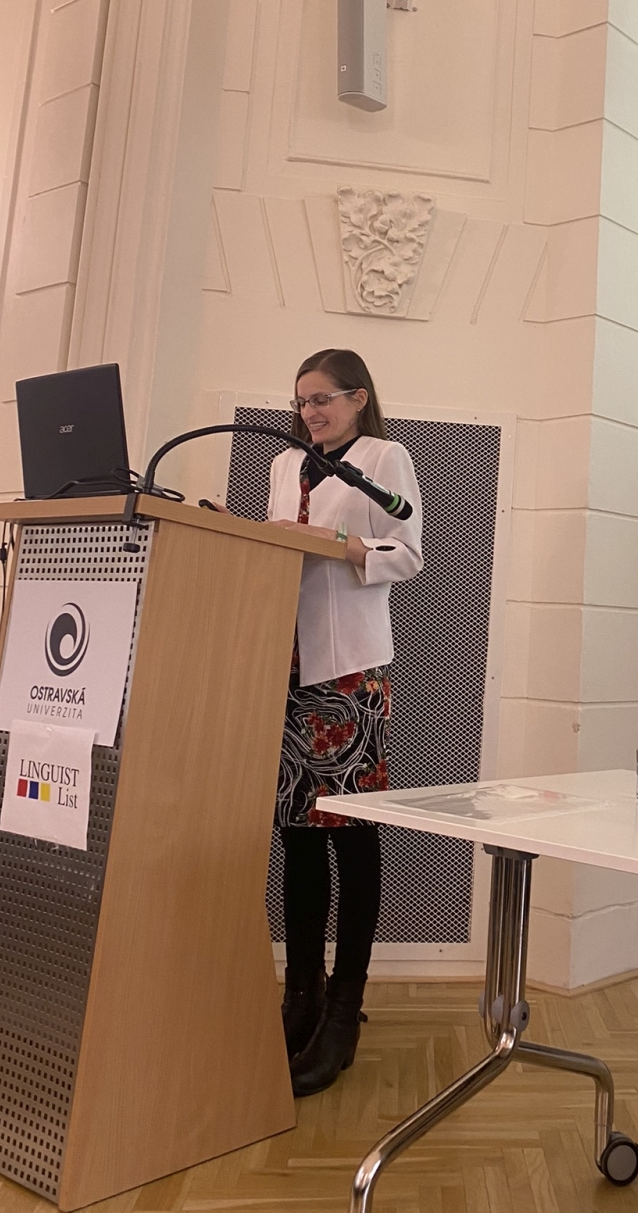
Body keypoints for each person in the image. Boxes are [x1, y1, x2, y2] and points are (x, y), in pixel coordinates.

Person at [266, 347, 422, 1096]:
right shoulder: (283, 465)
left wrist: (347, 547)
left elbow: (410, 553)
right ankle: (301, 994)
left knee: (351, 837)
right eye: (302, 401)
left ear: (358, 398)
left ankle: (343, 1011)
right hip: (284, 664)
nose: (310, 412)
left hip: (349, 669)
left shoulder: (383, 459)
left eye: (322, 398)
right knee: (296, 834)